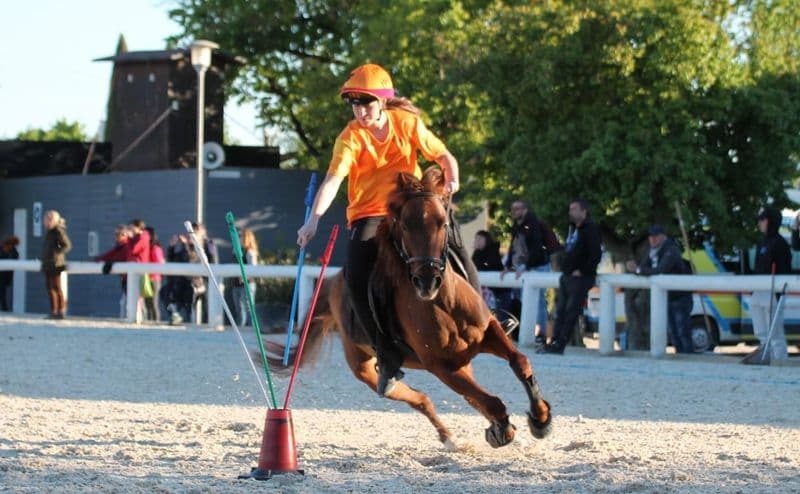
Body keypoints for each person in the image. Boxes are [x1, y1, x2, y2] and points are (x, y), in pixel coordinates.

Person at [296, 63, 479, 397]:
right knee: (356, 275)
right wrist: (313, 220)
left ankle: (486, 316)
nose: (361, 111)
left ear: (382, 102)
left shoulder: (407, 124)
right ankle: (386, 352)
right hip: (367, 216)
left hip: (409, 208)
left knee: (455, 244)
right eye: (355, 104)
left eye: (366, 103)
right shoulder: (349, 138)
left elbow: (443, 155)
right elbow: (333, 181)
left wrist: (451, 178)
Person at [539, 198, 601, 355]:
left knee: (570, 311)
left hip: (580, 278)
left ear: (583, 211)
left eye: (574, 209)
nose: (571, 212)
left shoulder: (591, 229)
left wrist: (584, 270)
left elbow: (595, 254)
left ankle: (560, 344)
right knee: (560, 311)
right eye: (570, 209)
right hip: (567, 276)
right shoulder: (574, 229)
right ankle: (554, 341)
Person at [626, 225, 693, 353]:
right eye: (651, 236)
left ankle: (688, 357)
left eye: (656, 236)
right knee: (673, 333)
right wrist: (637, 269)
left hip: (680, 297)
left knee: (682, 331)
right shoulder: (652, 251)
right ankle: (680, 356)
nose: (652, 239)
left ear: (663, 236)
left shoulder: (671, 250)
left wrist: (638, 270)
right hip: (667, 298)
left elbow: (660, 270)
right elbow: (645, 268)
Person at [742, 207, 791, 364]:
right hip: (758, 290)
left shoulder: (781, 244)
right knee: (760, 328)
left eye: (763, 219)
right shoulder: (761, 242)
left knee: (775, 331)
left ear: (771, 221)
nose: (760, 223)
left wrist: (779, 290)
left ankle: (779, 359)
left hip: (773, 292)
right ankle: (764, 354)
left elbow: (784, 270)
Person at [500, 200, 552, 343]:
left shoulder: (534, 225)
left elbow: (536, 248)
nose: (514, 212)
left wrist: (525, 267)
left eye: (517, 209)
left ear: (525, 210)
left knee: (539, 300)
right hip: (524, 268)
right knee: (523, 299)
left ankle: (540, 334)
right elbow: (514, 248)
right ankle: (531, 332)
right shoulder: (517, 226)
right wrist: (509, 265)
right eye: (513, 209)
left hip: (537, 267)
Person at [41, 210, 72, 319]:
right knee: (50, 288)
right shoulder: (49, 232)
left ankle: (60, 311)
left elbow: (66, 245)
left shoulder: (58, 231)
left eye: (48, 219)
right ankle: (53, 311)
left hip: (55, 264)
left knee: (56, 288)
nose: (46, 221)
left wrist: (56, 253)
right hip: (48, 264)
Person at [231, 228, 259, 326]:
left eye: (240, 236)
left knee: (248, 308)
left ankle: (251, 328)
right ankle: (240, 328)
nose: (238, 238)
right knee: (239, 309)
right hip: (236, 284)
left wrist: (244, 278)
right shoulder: (236, 250)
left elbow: (253, 268)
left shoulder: (249, 251)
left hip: (247, 284)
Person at [145, 226, 165, 322]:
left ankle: (156, 321)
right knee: (147, 303)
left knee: (153, 303)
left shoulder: (155, 248)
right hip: (147, 278)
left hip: (154, 279)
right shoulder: (147, 247)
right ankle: (149, 320)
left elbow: (159, 263)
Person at [0, 236, 20, 311]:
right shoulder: (3, 250)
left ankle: (4, 308)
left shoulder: (14, 252)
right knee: (2, 292)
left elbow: (15, 260)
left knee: (2, 292)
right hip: (4, 275)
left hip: (5, 275)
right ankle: (4, 308)